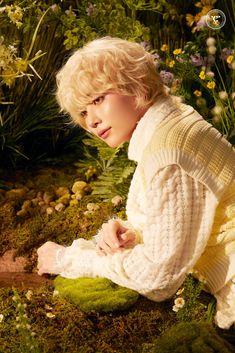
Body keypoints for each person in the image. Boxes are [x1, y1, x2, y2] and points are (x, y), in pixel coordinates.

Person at [37, 37, 235, 330]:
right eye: (82, 112)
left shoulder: (169, 153)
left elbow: (158, 278)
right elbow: (193, 217)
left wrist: (69, 259)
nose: (90, 121)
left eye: (97, 99)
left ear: (135, 84)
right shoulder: (174, 124)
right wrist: (133, 233)